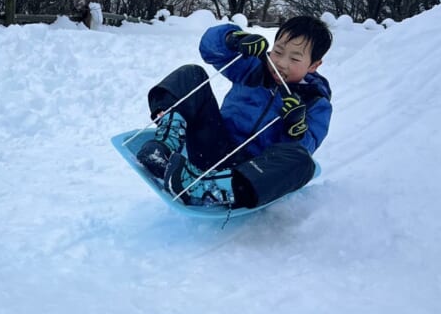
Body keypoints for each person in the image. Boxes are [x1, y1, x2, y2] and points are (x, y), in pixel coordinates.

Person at [136, 16, 333, 209]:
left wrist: (294, 128)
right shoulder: (255, 69)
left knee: (304, 162)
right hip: (213, 146)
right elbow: (210, 48)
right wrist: (233, 40)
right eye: (279, 51)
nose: (281, 62)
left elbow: (303, 147)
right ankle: (163, 147)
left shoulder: (315, 103)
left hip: (249, 173)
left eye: (295, 58)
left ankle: (205, 189)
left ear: (314, 65)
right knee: (192, 74)